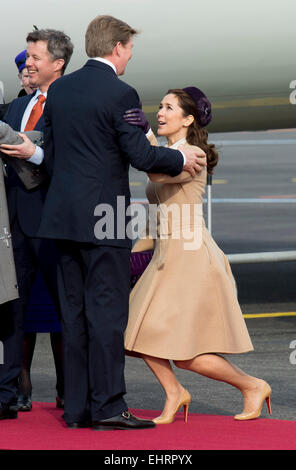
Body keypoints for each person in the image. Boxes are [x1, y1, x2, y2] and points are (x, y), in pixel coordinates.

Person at [37, 15, 206, 430]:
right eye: (129, 48)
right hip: (104, 220)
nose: (130, 54)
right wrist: (181, 158)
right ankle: (109, 407)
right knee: (108, 316)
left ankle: (77, 409)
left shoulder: (60, 90)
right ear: (117, 47)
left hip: (62, 220)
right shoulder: (120, 92)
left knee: (73, 318)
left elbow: (53, 155)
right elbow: (142, 156)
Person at [124, 87, 272, 423]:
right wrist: (134, 257)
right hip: (167, 254)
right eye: (159, 106)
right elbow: (158, 212)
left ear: (188, 119)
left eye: (169, 108)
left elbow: (157, 171)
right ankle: (176, 392)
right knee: (134, 334)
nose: (160, 112)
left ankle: (252, 385)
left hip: (190, 257)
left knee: (188, 355)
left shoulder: (193, 154)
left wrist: (144, 135)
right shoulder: (170, 151)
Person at [0, 29, 73, 420]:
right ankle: (7, 394)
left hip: (54, 222)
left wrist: (37, 153)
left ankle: (75, 396)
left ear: (57, 63)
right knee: (12, 310)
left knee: (67, 311)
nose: (27, 62)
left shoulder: (72, 103)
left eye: (34, 56)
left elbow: (75, 160)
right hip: (14, 224)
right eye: (27, 56)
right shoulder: (19, 107)